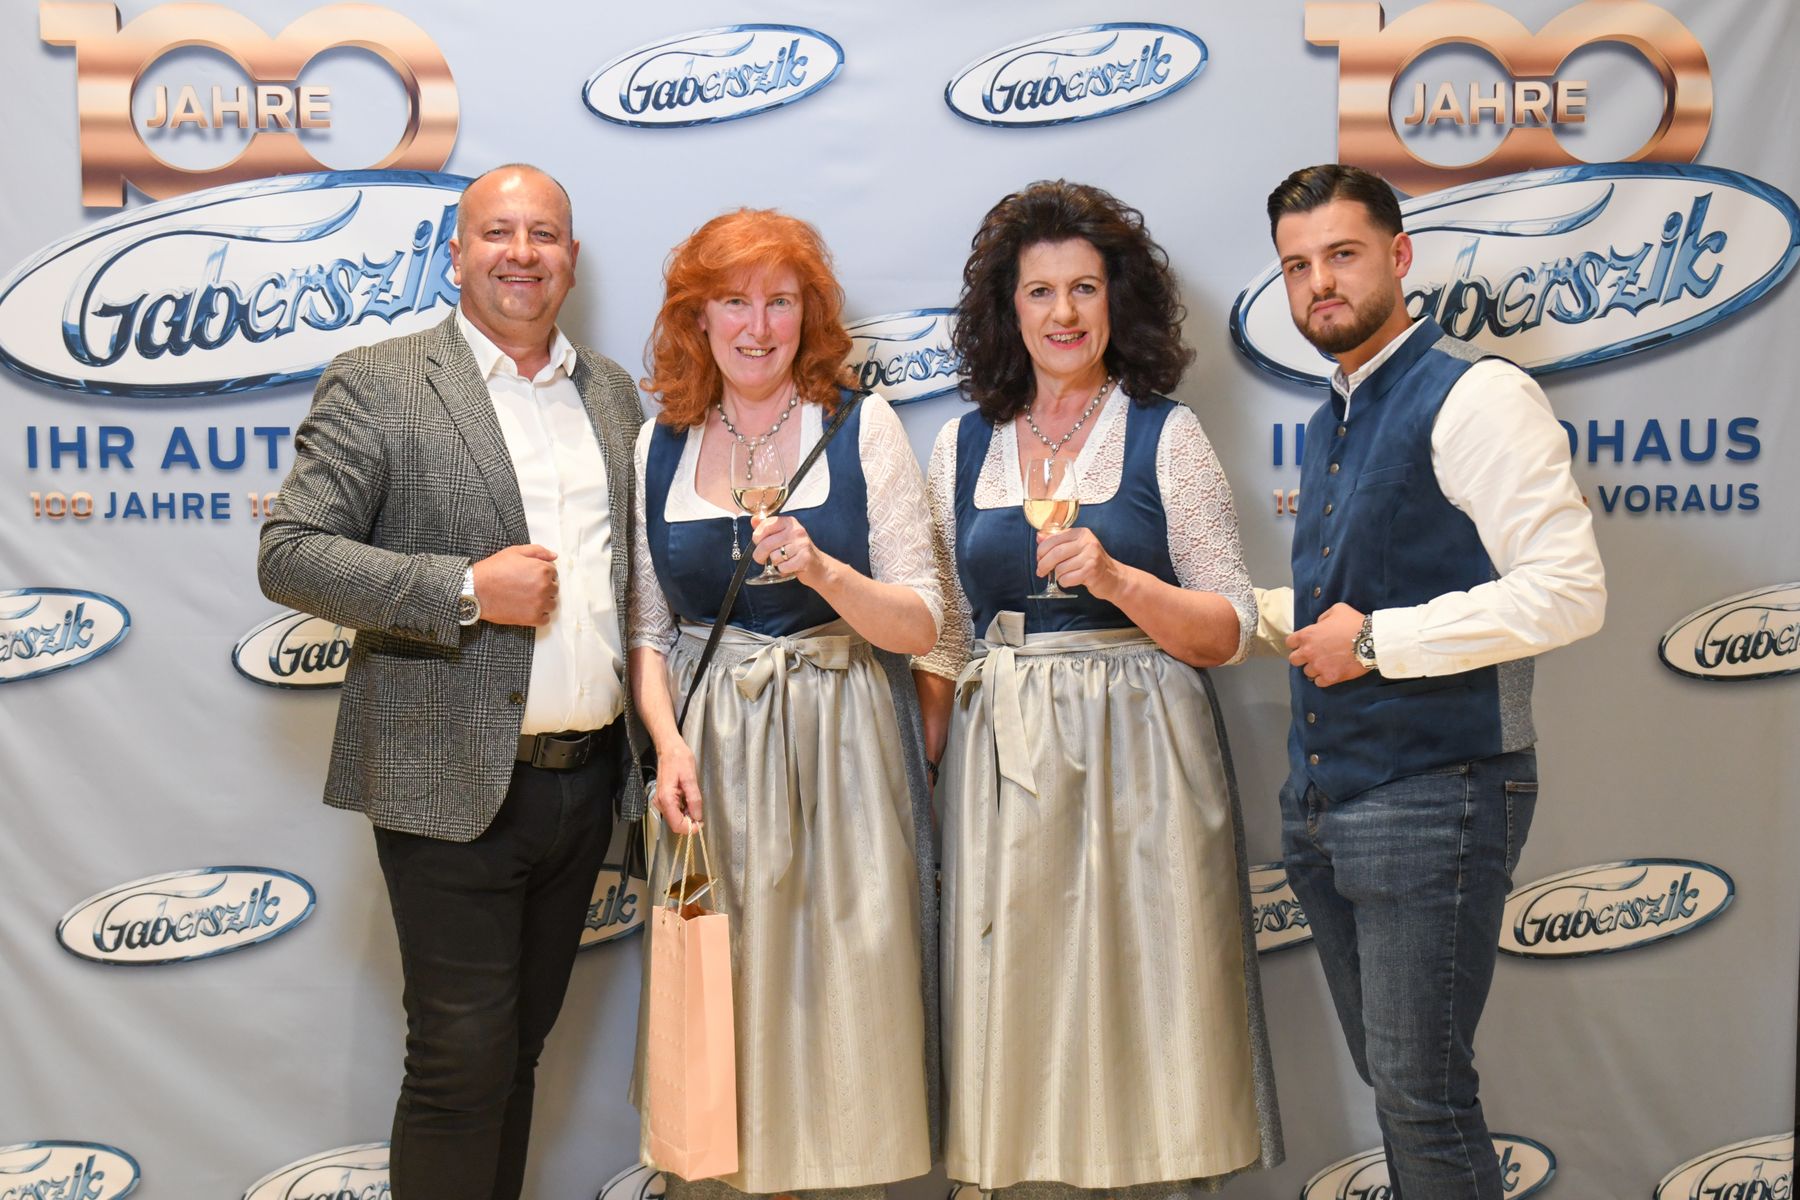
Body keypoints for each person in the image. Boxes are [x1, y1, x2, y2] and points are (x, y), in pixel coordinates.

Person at [258, 164, 646, 1200]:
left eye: (544, 234)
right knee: (458, 1062)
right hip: (447, 780)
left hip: (586, 783)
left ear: (571, 257)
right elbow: (290, 554)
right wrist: (467, 589)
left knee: (515, 1056)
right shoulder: (381, 380)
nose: (522, 253)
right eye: (497, 232)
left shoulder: (611, 394)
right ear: (456, 254)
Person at [913, 179, 1283, 1197]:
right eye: (1040, 292)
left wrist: (1119, 580)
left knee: (1148, 992)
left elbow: (1228, 627)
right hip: (1003, 754)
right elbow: (945, 639)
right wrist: (924, 780)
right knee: (1015, 996)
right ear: (1008, 309)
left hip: (1144, 749)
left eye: (1084, 287)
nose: (1064, 313)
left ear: (1118, 299)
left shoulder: (1168, 433)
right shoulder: (961, 445)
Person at [1257, 163, 1606, 1197]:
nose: (1320, 283)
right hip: (1326, 798)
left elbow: (1569, 591)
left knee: (1421, 1096)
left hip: (1437, 790)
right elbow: (1345, 601)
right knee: (1401, 1087)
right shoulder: (1330, 418)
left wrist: (1375, 643)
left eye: (1342, 254)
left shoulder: (1477, 395)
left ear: (1401, 255)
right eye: (1297, 266)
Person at [628, 208, 939, 1199]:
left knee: (844, 1001)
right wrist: (670, 746)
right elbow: (647, 632)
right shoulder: (657, 445)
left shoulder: (862, 427)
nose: (757, 326)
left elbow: (922, 622)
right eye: (733, 301)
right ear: (698, 316)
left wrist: (825, 571)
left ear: (810, 315)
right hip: (711, 757)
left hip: (844, 744)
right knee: (719, 1001)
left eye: (780, 301)